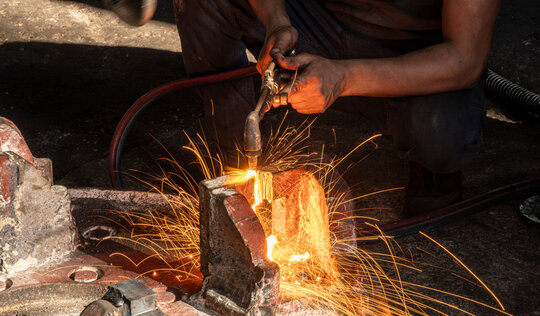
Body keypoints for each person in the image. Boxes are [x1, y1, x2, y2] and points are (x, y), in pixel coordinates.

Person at [172, 0, 500, 217]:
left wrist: (343, 78)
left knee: (441, 131)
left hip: (415, 55)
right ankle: (238, 174)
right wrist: (276, 20)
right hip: (317, 20)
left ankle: (433, 172)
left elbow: (464, 59)